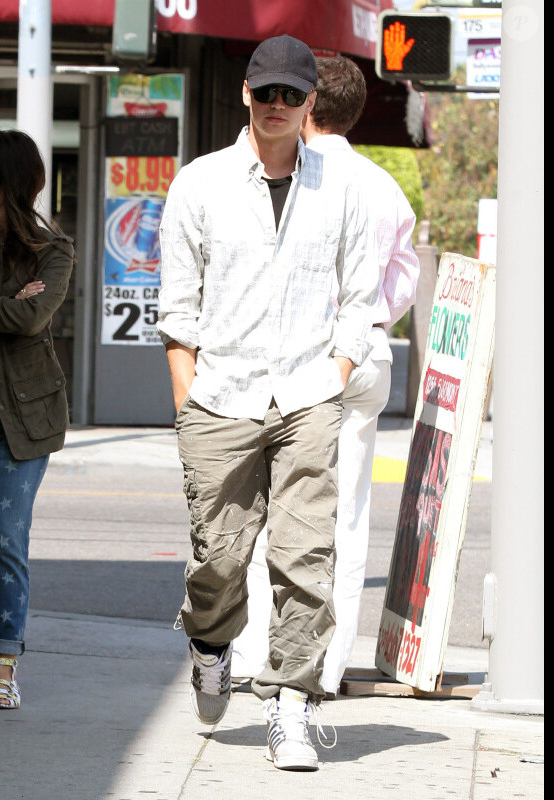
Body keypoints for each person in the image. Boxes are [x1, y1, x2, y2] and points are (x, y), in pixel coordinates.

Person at [157, 36, 379, 771]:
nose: (278, 105)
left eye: (293, 94)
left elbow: (360, 297)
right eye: (267, 93)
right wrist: (187, 404)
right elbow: (177, 309)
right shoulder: (199, 183)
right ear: (245, 94)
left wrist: (339, 368)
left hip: (309, 394)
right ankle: (212, 643)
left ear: (312, 103)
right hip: (220, 395)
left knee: (306, 556)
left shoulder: (343, 189)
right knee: (219, 559)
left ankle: (291, 703)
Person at [231, 55, 420, 697]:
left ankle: (261, 651)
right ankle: (326, 666)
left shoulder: (296, 176)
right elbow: (401, 280)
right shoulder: (383, 186)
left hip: (303, 357)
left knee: (272, 504)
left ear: (308, 105)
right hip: (366, 356)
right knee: (346, 516)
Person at [0, 130, 75, 709]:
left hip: (25, 414)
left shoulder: (53, 250)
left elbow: (30, 319)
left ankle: (5, 665)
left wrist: (19, 309)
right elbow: (16, 313)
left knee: (6, 541)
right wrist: (11, 305)